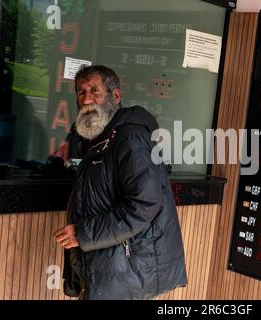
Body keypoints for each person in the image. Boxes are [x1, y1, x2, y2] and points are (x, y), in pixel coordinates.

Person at [54, 65, 187, 300]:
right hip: (112, 270)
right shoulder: (99, 138)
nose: (86, 99)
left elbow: (143, 204)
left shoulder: (130, 136)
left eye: (95, 91)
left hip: (129, 274)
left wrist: (84, 234)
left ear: (115, 96)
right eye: (80, 92)